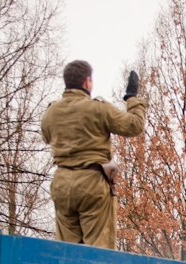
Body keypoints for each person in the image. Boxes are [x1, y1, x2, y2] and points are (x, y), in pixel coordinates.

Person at [41, 60, 147, 249]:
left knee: (67, 252)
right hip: (92, 183)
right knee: (98, 253)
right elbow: (134, 125)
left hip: (62, 185)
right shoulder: (98, 109)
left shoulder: (51, 112)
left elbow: (46, 136)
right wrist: (132, 98)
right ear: (87, 82)